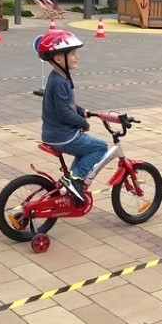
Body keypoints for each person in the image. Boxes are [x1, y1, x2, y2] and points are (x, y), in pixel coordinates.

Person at [37, 30, 107, 206]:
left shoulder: (59, 77)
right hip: (63, 136)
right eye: (73, 54)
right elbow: (64, 113)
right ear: (59, 59)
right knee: (101, 147)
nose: (77, 57)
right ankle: (74, 179)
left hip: (54, 134)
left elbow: (69, 106)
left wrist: (83, 111)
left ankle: (74, 180)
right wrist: (83, 123)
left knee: (85, 150)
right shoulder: (60, 82)